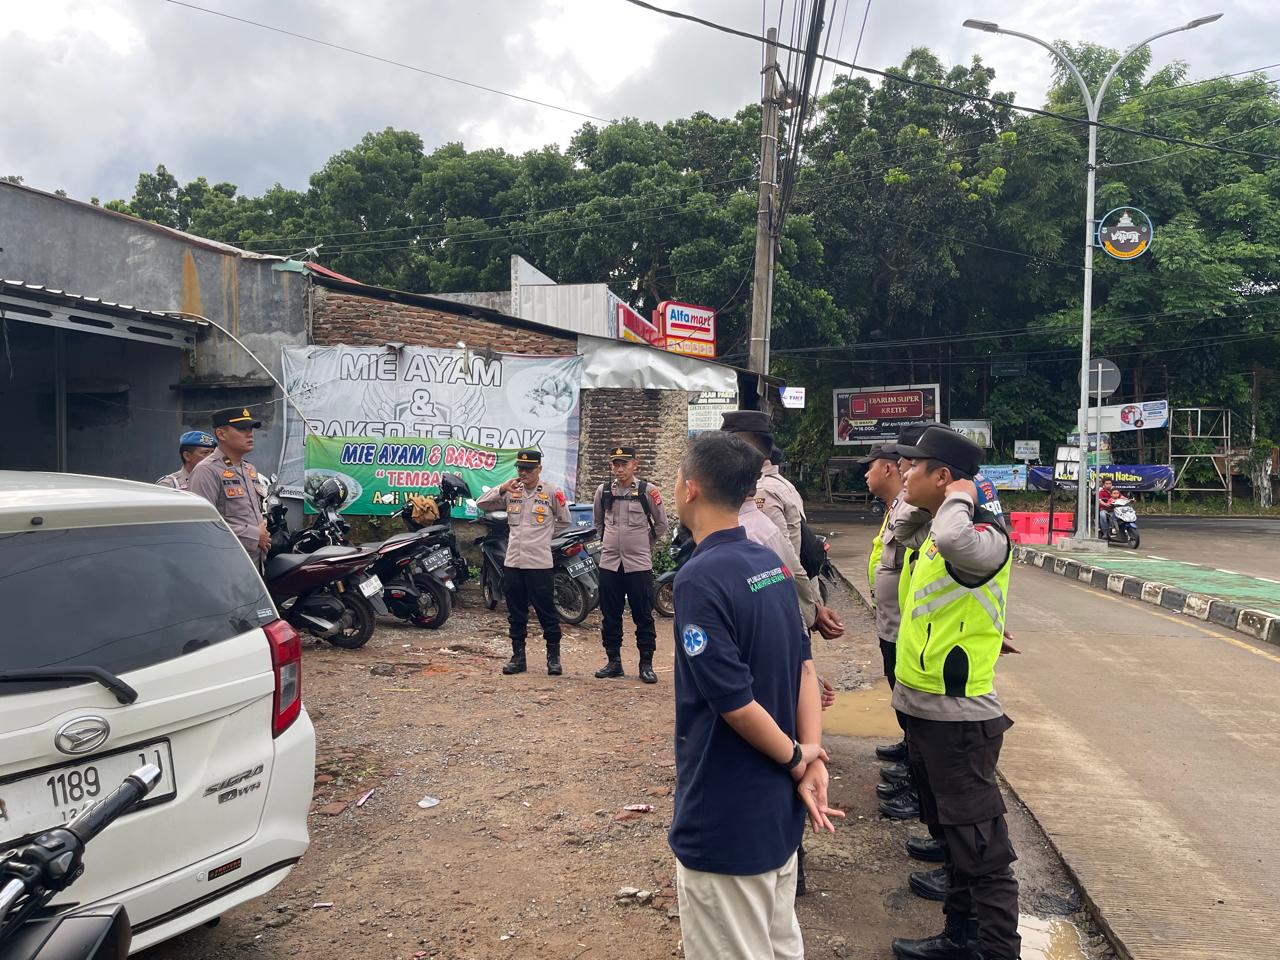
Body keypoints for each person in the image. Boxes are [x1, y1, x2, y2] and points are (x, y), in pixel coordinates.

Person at [668, 431, 842, 960]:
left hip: (726, 816)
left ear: (690, 488)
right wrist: (810, 757)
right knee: (779, 944)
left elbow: (736, 705)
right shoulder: (769, 565)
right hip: (775, 814)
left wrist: (798, 757)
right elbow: (805, 668)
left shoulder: (699, 578)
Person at [889, 425, 1020, 960]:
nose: (904, 474)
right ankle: (960, 938)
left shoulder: (982, 535)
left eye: (914, 467)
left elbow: (953, 541)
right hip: (925, 710)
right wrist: (938, 499)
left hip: (960, 721)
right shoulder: (933, 528)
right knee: (951, 838)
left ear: (944, 477)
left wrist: (962, 496)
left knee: (982, 852)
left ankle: (997, 951)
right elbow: (903, 529)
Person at [720, 410, 844, 641]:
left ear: (744, 449)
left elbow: (784, 559)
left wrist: (812, 611)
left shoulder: (763, 491)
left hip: (778, 606)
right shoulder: (781, 484)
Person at [476, 449, 572, 677]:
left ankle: (553, 659)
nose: (524, 472)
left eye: (529, 468)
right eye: (520, 468)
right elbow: (482, 504)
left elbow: (564, 521)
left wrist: (543, 536)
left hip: (539, 564)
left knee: (546, 612)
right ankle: (518, 658)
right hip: (514, 563)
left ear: (539, 469)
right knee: (516, 613)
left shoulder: (551, 492)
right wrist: (502, 488)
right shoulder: (512, 491)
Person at [592, 445, 670, 683]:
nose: (619, 469)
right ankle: (613, 662)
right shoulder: (604, 491)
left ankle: (646, 665)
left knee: (643, 615)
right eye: (615, 464)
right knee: (610, 615)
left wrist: (644, 545)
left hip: (638, 565)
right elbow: (598, 523)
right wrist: (609, 542)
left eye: (624, 464)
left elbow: (661, 525)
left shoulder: (648, 491)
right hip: (610, 564)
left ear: (634, 465)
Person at [189, 408, 270, 567]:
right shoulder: (207, 470)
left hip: (254, 564)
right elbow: (202, 524)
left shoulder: (248, 469)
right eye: (242, 429)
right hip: (226, 566)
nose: (250, 434)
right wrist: (255, 535)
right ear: (221, 434)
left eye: (251, 428)